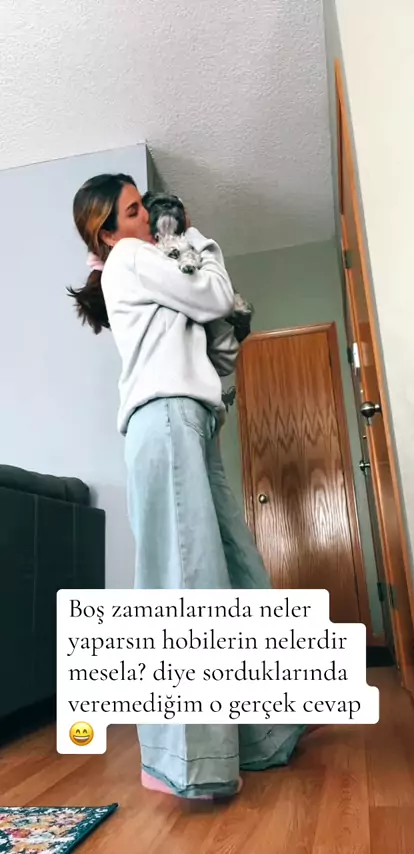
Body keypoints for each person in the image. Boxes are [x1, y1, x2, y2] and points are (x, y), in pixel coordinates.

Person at [68, 173, 307, 800]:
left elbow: (218, 337)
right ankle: (190, 760)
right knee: (186, 583)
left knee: (239, 570)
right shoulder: (131, 259)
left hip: (197, 424)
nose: (147, 218)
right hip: (166, 418)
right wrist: (197, 239)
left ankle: (263, 734)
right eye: (133, 211)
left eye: (143, 208)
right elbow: (216, 295)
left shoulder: (154, 272)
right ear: (108, 234)